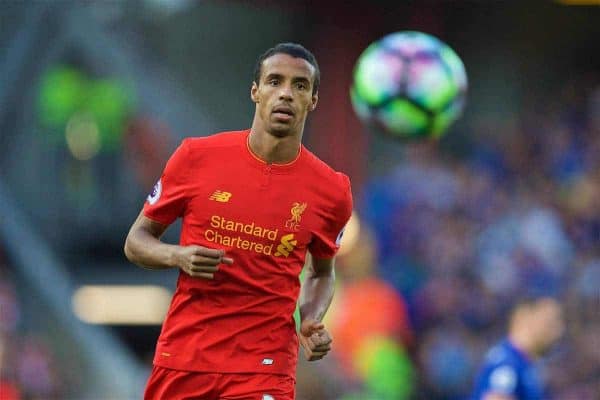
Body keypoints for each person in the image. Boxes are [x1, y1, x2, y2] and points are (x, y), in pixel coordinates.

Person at [124, 43, 352, 400]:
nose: (286, 94)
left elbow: (323, 272)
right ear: (255, 92)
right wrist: (177, 256)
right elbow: (136, 240)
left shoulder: (332, 190)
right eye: (275, 81)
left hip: (263, 367)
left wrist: (310, 316)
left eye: (300, 86)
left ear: (313, 101)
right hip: (185, 358)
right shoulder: (196, 157)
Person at [471, 297, 565, 400]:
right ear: (524, 316)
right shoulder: (508, 364)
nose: (559, 331)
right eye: (550, 322)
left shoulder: (524, 363)